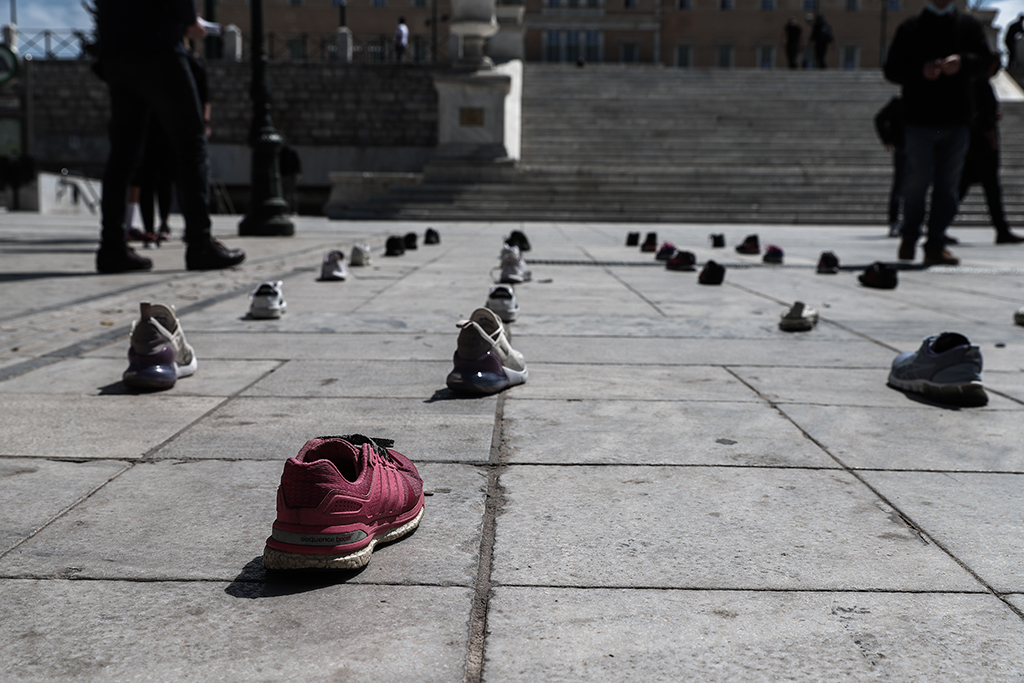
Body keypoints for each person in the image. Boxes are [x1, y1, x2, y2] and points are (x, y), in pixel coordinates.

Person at [94, 0, 244, 274]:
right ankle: (199, 242)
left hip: (117, 50)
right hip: (158, 45)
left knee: (123, 155)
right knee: (192, 145)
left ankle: (112, 247)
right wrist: (188, 21)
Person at [883, 0, 992, 266]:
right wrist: (920, 70)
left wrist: (962, 63)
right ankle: (909, 236)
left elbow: (985, 61)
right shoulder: (911, 27)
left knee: (948, 186)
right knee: (917, 180)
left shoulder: (968, 25)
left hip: (956, 120)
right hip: (919, 119)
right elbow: (891, 69)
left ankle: (936, 242)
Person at [959, 55, 1024, 245]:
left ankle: (938, 226)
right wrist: (991, 137)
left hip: (973, 145)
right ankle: (1002, 231)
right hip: (982, 147)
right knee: (991, 190)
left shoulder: (974, 83)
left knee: (962, 188)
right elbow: (982, 116)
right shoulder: (982, 84)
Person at [874, 96, 906, 238]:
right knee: (899, 186)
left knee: (917, 186)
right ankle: (894, 222)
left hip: (919, 148)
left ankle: (910, 221)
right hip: (904, 147)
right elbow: (879, 118)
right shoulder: (899, 103)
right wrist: (887, 139)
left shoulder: (923, 100)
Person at [278, 142, 302, 215]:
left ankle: (292, 210)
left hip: (289, 175)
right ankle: (286, 209)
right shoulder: (281, 153)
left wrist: (298, 173)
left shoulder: (288, 153)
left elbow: (297, 164)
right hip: (285, 175)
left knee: (291, 194)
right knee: (285, 194)